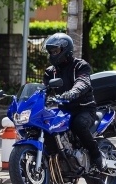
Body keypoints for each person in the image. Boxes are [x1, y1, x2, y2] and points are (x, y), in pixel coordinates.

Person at [42, 32, 104, 172]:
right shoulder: (50, 72)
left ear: (66, 50)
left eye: (55, 51)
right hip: (64, 110)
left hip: (84, 109)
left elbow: (83, 82)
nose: (52, 54)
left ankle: (96, 156)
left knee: (79, 125)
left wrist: (73, 92)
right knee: (46, 126)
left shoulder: (80, 66)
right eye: (50, 51)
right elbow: (43, 90)